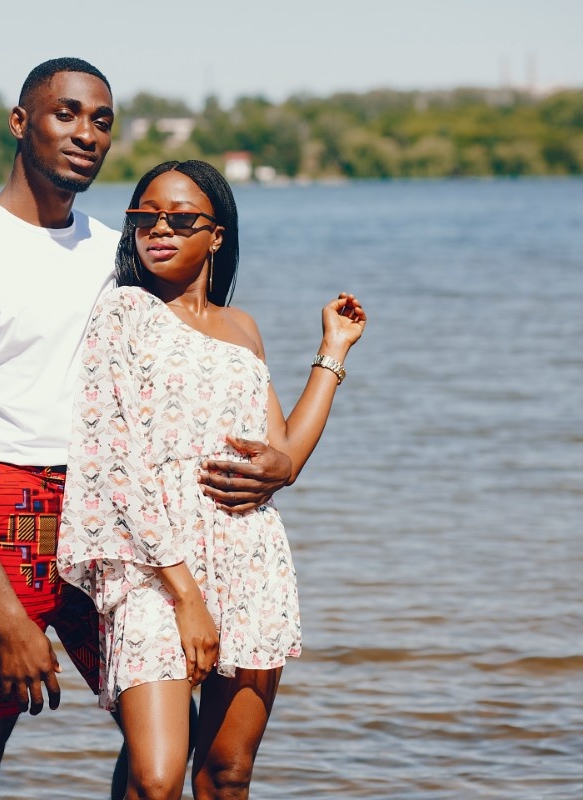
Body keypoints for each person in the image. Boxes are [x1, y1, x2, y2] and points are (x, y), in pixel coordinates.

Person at [0, 60, 294, 800]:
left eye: (102, 120)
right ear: (21, 123)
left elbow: (190, 367)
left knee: (160, 726)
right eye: (66, 114)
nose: (86, 134)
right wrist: (6, 613)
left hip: (110, 517)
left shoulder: (113, 253)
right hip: (8, 511)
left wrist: (277, 459)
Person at [58, 159, 367, 800]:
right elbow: (119, 463)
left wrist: (332, 350)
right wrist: (185, 596)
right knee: (157, 776)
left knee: (227, 775)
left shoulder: (242, 328)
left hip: (247, 560)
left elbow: (280, 456)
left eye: (179, 218)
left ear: (217, 234)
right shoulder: (123, 313)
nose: (158, 229)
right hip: (154, 567)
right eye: (144, 217)